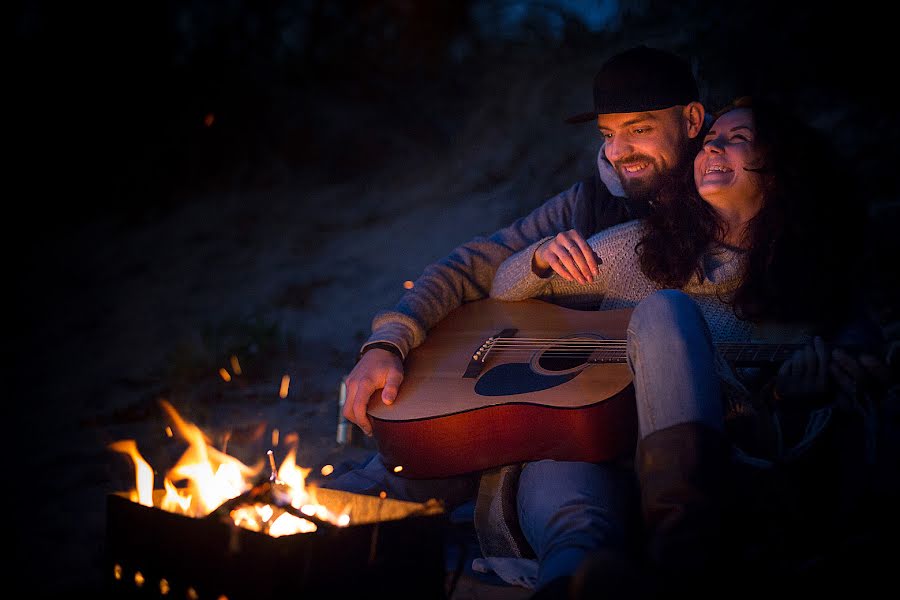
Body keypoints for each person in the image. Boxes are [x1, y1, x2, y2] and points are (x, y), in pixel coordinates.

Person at [489, 96, 892, 597]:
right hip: (599, 461)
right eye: (711, 139)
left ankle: (681, 547)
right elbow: (505, 290)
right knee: (573, 520)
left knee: (665, 311)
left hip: (724, 491)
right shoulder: (641, 247)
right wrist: (540, 261)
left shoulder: (811, 294)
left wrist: (791, 407)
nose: (714, 147)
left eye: (737, 139)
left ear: (784, 169)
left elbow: (834, 456)